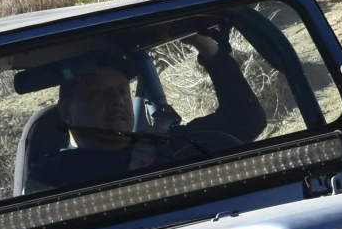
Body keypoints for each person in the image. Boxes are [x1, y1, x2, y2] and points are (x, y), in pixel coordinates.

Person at [23, 28, 268, 194]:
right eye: (100, 94)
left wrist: (207, 48)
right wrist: (135, 178)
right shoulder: (51, 175)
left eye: (122, 91)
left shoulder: (167, 146)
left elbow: (246, 120)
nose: (117, 101)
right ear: (67, 112)